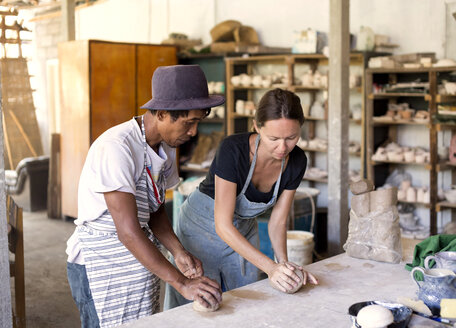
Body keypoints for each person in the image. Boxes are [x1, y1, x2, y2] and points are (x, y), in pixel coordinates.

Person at [65, 65, 223, 328]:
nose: (194, 132)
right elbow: (127, 231)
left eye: (198, 122)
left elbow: (155, 209)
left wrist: (178, 251)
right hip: (102, 267)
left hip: (137, 263)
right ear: (161, 114)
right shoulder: (117, 148)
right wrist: (182, 282)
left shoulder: (166, 147)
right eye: (189, 122)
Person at [165, 88, 319, 309]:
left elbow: (278, 221)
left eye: (291, 137)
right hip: (201, 229)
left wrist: (283, 266)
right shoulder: (233, 150)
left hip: (243, 229)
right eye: (273, 138)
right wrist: (270, 268)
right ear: (256, 126)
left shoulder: (296, 161)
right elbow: (223, 225)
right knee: (203, 304)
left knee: (246, 300)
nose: (283, 147)